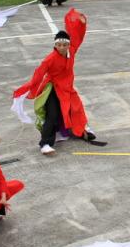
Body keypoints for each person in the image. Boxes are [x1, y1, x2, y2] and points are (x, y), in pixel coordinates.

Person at [12, 9, 98, 155]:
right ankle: (45, 143)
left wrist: (82, 24)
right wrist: (27, 89)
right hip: (52, 89)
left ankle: (82, 130)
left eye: (64, 45)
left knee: (76, 108)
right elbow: (38, 74)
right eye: (59, 45)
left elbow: (78, 36)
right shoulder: (50, 59)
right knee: (52, 114)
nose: (62, 48)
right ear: (55, 45)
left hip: (67, 89)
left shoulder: (72, 50)